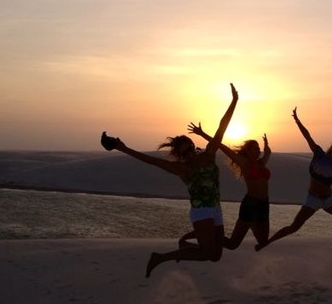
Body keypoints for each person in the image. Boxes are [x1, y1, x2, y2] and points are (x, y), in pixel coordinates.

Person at [100, 83, 239, 277]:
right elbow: (152, 161)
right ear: (180, 156)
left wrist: (234, 101)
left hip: (216, 208)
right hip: (201, 211)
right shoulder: (182, 169)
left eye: (190, 148)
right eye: (185, 153)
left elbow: (221, 129)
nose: (190, 153)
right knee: (207, 253)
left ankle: (188, 242)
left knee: (215, 256)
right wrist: (122, 148)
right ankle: (160, 258)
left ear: (193, 145)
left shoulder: (209, 155)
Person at [257, 107, 332, 251]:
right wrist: (297, 120)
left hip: (328, 199)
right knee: (294, 227)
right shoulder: (319, 154)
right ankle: (267, 242)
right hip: (313, 199)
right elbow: (307, 136)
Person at [188, 123, 272, 249]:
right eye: (254, 148)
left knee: (264, 241)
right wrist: (202, 133)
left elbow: (268, 153)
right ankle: (203, 234)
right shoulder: (244, 163)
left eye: (258, 148)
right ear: (248, 151)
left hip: (264, 204)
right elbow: (221, 146)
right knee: (233, 244)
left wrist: (266, 144)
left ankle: (251, 226)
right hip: (251, 204)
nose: (257, 150)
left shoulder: (261, 163)